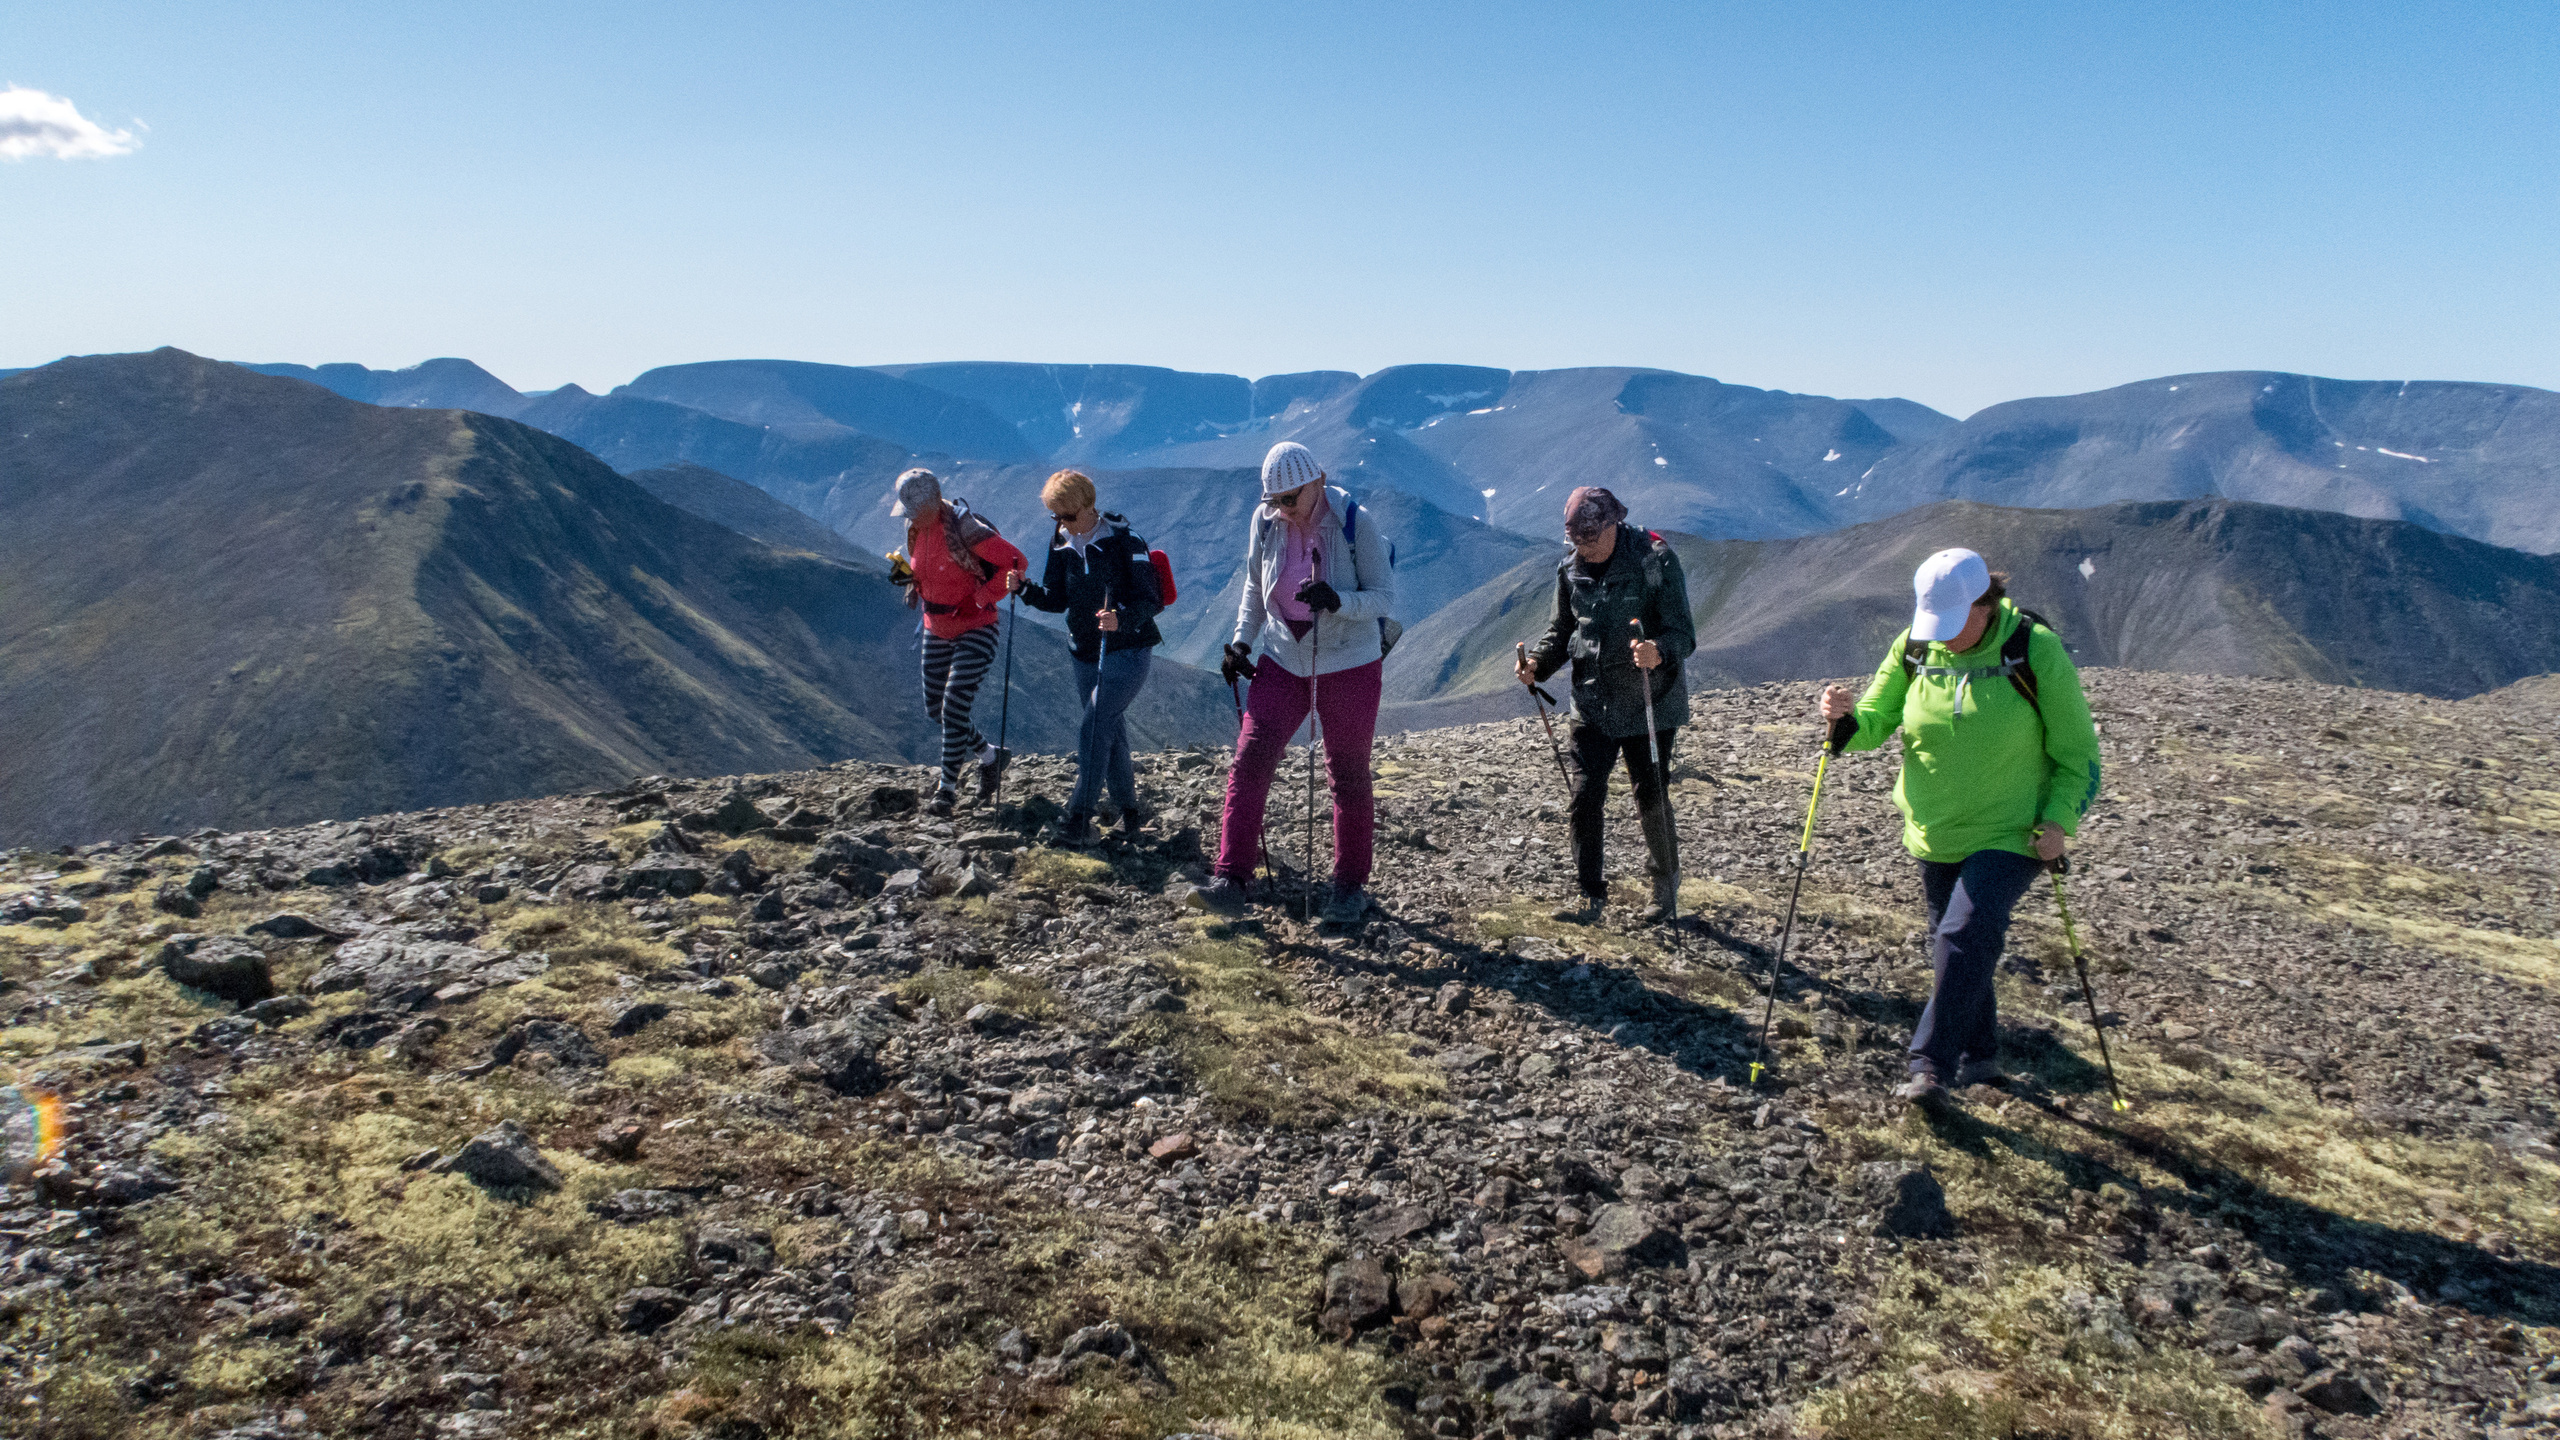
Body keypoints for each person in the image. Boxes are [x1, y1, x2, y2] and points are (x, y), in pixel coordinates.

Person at [1819, 548, 2101, 1107]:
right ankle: (1981, 1056)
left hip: (2012, 830)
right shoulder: (1914, 646)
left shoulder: (2033, 650)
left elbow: (2079, 754)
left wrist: (2059, 821)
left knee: (1965, 932)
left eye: (1952, 622)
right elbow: (1875, 721)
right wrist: (1843, 718)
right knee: (1956, 946)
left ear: (1985, 604)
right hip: (1935, 829)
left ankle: (1929, 1066)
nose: (1942, 636)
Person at [1186, 441, 1396, 924]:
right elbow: (1254, 586)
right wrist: (1241, 642)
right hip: (1283, 656)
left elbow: (1383, 597)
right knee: (1250, 759)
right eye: (1274, 500)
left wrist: (1338, 600)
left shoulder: (1355, 522)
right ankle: (1230, 879)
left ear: (1317, 482)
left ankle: (1349, 888)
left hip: (1350, 661)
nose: (1281, 509)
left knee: (1347, 772)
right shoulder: (1265, 522)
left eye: (1289, 499)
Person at [1514, 487, 1696, 924]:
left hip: (1649, 699)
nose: (1584, 547)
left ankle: (1664, 887)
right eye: (1576, 539)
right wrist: (1537, 664)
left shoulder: (1655, 560)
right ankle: (1589, 894)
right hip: (1592, 701)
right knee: (1584, 795)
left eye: (1591, 537)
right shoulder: (1569, 569)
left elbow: (1682, 633)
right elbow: (1563, 630)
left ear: (1614, 523)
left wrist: (1658, 650)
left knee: (1650, 794)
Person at [1005, 469, 1164, 846]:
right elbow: (1057, 598)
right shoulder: (1061, 541)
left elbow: (1152, 599)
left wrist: (1121, 618)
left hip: (1128, 651)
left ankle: (1077, 819)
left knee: (1094, 727)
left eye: (1068, 515)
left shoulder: (1126, 541)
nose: (1062, 523)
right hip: (1084, 653)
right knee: (1110, 732)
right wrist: (1024, 590)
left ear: (1089, 506)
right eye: (1055, 515)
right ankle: (1130, 816)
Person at [891, 467, 1028, 817]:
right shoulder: (915, 529)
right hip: (935, 627)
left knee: (953, 707)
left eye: (915, 511)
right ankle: (990, 756)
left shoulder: (966, 528)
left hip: (977, 627)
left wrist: (981, 599)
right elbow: (931, 573)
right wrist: (909, 578)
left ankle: (946, 791)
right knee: (936, 709)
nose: (910, 518)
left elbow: (1016, 562)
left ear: (933, 504)